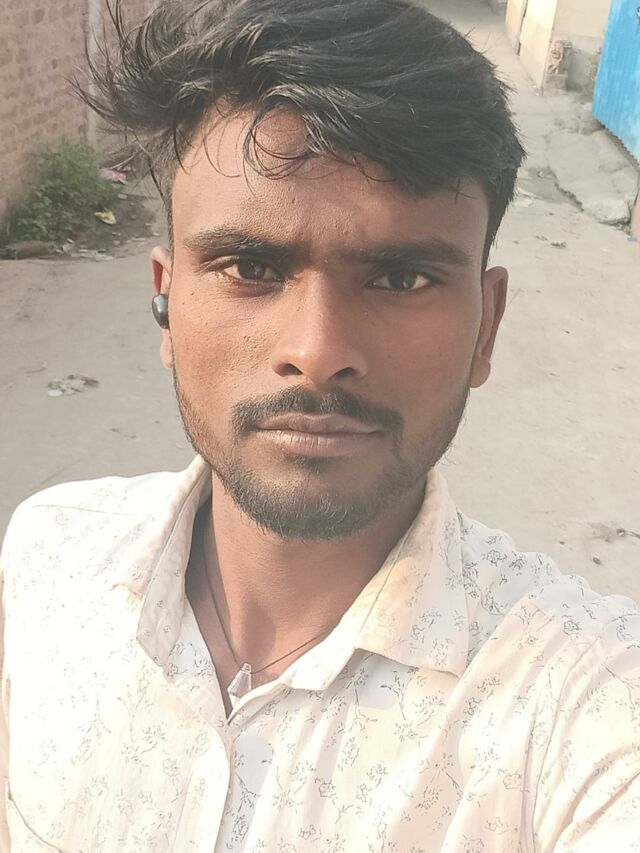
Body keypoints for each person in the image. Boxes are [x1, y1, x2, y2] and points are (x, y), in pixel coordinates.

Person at [1, 0, 639, 850]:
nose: (318, 351)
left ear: (485, 327)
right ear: (166, 303)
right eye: (250, 266)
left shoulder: (585, 705)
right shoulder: (45, 562)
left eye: (401, 278)